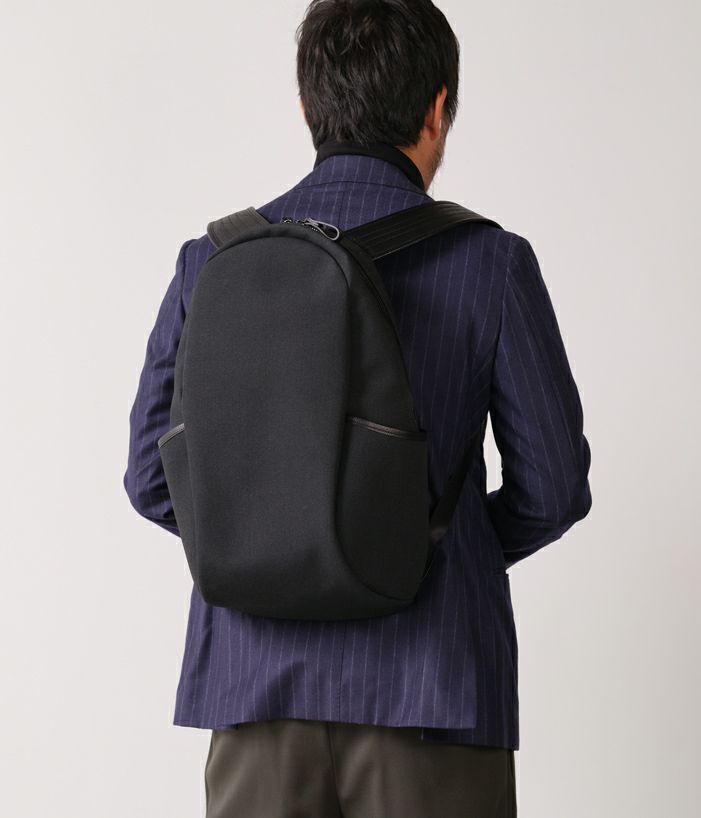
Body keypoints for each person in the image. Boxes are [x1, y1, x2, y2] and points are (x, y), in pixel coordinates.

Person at [124, 1, 592, 815]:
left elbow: (149, 478)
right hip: (433, 694)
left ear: (307, 104)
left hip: (253, 691)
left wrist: (272, 550)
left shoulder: (212, 260)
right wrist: (410, 550)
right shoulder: (490, 262)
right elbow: (550, 489)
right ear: (437, 108)